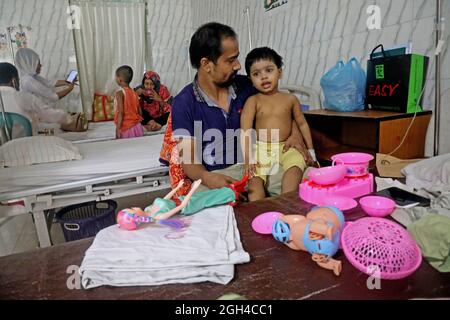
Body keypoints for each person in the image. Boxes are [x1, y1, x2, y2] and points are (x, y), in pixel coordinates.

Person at [166, 22, 312, 197]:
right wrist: (208, 177)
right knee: (199, 204)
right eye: (230, 60)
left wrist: (295, 134)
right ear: (206, 64)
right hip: (219, 175)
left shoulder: (247, 85)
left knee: (310, 181)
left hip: (262, 165)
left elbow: (282, 107)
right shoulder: (184, 103)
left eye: (237, 58)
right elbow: (189, 162)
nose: (238, 66)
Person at [241, 47, 317, 201]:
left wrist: (312, 152)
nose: (263, 77)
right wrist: (249, 158)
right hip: (261, 148)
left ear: (279, 72)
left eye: (269, 70)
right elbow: (245, 131)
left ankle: (286, 201)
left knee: (295, 167)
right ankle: (258, 209)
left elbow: (302, 124)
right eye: (256, 74)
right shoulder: (253, 101)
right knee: (254, 180)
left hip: (286, 147)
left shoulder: (290, 99)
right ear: (250, 79)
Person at [0, 62, 75, 138]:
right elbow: (50, 114)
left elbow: (49, 83)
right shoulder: (21, 96)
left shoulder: (32, 77)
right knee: (58, 133)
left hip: (3, 146)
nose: (40, 65)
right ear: (14, 81)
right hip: (25, 141)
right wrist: (69, 118)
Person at [114, 65, 144, 139]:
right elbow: (140, 111)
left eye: (116, 77)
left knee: (125, 148)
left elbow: (121, 112)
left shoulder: (119, 93)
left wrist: (118, 128)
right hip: (137, 127)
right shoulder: (134, 93)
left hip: (126, 128)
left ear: (120, 79)